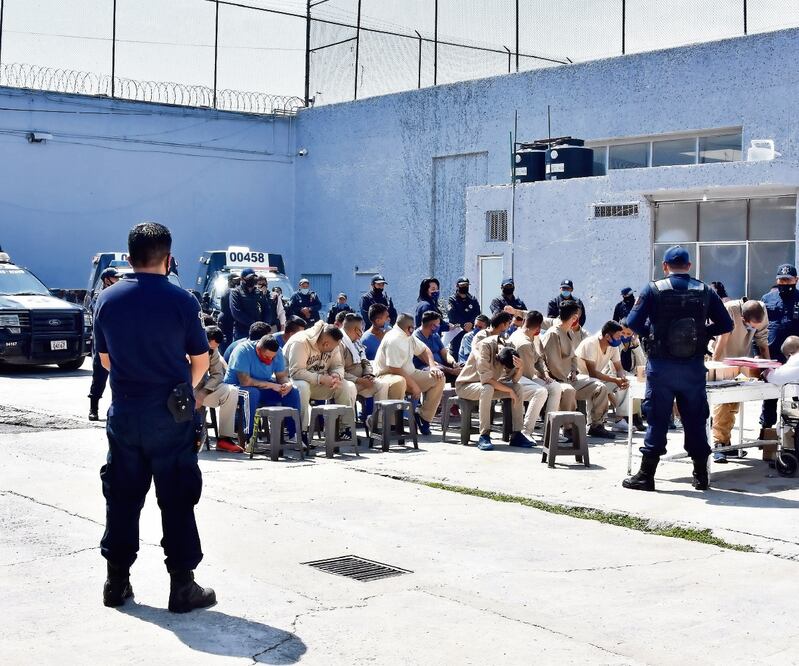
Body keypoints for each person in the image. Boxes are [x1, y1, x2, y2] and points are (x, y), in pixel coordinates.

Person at [93, 221, 215, 613]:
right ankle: (182, 587)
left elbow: (106, 359)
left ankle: (116, 582)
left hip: (126, 411)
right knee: (177, 498)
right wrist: (184, 389)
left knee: (123, 497)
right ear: (169, 258)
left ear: (129, 258)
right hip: (171, 414)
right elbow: (201, 359)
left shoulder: (108, 300)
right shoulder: (182, 301)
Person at [624, 245, 733, 492]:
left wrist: (652, 336)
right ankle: (700, 476)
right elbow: (726, 324)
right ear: (689, 267)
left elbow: (632, 322)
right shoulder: (705, 290)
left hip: (661, 367)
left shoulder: (652, 289)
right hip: (693, 368)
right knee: (695, 419)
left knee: (657, 419)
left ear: (665, 267)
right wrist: (703, 333)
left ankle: (646, 475)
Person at [541, 301, 615, 439]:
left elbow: (573, 356)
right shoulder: (553, 334)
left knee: (600, 387)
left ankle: (596, 425)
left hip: (570, 377)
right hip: (555, 380)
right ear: (574, 317)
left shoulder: (569, 332)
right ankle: (568, 428)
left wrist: (574, 371)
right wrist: (565, 377)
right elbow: (552, 363)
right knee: (568, 390)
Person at [711, 298, 770, 462]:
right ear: (743, 319)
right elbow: (721, 341)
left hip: (739, 359)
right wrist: (715, 366)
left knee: (734, 403)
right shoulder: (730, 309)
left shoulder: (761, 311)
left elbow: (763, 342)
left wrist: (768, 368)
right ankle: (718, 444)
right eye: (750, 326)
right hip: (720, 356)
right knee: (722, 402)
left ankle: (726, 441)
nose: (752, 329)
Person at [373, 312, 445, 435]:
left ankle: (424, 418)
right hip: (388, 375)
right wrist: (414, 386)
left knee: (438, 378)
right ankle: (394, 425)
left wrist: (432, 366)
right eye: (412, 326)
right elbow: (394, 368)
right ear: (408, 327)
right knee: (399, 382)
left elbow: (424, 350)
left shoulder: (408, 336)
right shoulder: (393, 339)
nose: (414, 328)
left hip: (408, 373)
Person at [455, 339, 534, 451]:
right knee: (487, 388)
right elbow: (486, 379)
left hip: (489, 387)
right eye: (505, 368)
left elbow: (515, 380)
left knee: (518, 388)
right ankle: (484, 435)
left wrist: (520, 368)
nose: (505, 370)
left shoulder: (509, 350)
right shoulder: (485, 347)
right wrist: (509, 391)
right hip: (466, 386)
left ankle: (517, 434)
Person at [284, 321, 356, 439]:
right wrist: (321, 379)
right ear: (326, 344)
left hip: (319, 381)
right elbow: (296, 372)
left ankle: (345, 428)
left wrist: (336, 376)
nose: (335, 349)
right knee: (302, 386)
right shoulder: (300, 342)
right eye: (333, 347)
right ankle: (299, 433)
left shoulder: (333, 343)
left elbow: (338, 365)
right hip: (291, 383)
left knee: (347, 386)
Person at [224, 334, 301, 443]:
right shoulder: (243, 351)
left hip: (262, 387)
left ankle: (294, 435)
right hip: (236, 387)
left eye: (272, 358)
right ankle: (249, 438)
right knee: (252, 394)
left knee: (293, 392)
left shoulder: (277, 352)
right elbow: (245, 381)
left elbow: (281, 377)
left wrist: (287, 384)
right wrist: (271, 385)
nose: (270, 360)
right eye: (266, 357)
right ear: (258, 350)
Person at [509, 310, 573, 421]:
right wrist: (541, 377)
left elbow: (538, 358)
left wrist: (545, 374)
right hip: (517, 377)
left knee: (555, 387)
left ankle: (549, 428)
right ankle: (527, 431)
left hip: (529, 375)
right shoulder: (524, 343)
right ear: (538, 328)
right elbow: (528, 373)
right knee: (541, 392)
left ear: (524, 321)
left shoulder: (530, 336)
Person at [761, 263, 799, 431]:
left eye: (788, 280)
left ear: (796, 280)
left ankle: (792, 433)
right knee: (769, 397)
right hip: (772, 355)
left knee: (794, 397)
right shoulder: (767, 299)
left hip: (794, 359)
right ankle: (766, 430)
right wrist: (759, 355)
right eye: (781, 280)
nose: (784, 283)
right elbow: (759, 328)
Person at [340, 313, 405, 410]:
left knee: (382, 385)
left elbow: (365, 361)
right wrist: (359, 380)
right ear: (356, 329)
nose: (362, 332)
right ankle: (347, 423)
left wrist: (368, 374)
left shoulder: (356, 342)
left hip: (363, 379)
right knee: (350, 388)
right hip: (348, 382)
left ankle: (377, 421)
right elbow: (338, 371)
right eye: (361, 329)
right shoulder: (340, 344)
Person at [575, 321, 631, 433]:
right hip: (578, 378)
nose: (621, 338)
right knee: (598, 385)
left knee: (626, 384)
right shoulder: (590, 343)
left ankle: (620, 420)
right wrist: (615, 379)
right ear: (607, 336)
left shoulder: (612, 346)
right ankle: (594, 425)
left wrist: (622, 378)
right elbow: (592, 373)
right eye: (618, 336)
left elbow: (619, 368)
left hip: (595, 378)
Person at [195, 326, 241, 453]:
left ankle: (224, 439)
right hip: (182, 389)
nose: (213, 350)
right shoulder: (185, 344)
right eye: (211, 347)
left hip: (202, 389)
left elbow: (217, 375)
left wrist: (203, 392)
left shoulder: (213, 350)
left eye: (215, 348)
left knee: (231, 391)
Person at [88, 266, 121, 421]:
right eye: (115, 278)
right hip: (102, 344)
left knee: (119, 379)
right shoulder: (99, 297)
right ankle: (93, 409)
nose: (118, 280)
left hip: (116, 344)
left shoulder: (116, 295)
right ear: (106, 280)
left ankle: (116, 408)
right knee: (99, 378)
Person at [413, 310, 461, 383]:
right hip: (425, 367)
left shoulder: (435, 335)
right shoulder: (416, 338)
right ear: (432, 326)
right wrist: (451, 371)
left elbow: (444, 353)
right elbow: (429, 361)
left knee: (462, 368)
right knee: (438, 371)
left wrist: (453, 363)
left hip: (443, 366)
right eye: (438, 324)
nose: (439, 326)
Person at [619, 318, 646, 432]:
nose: (625, 335)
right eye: (623, 333)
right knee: (631, 381)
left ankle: (636, 415)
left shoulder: (634, 342)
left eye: (628, 333)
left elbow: (642, 364)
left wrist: (636, 347)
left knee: (641, 378)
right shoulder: (616, 342)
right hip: (617, 373)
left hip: (630, 373)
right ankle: (630, 416)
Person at [446, 277, 480, 359]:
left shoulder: (473, 300)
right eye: (462, 285)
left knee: (470, 354)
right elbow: (452, 315)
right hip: (457, 332)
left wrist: (471, 324)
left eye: (466, 285)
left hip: (470, 331)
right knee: (456, 354)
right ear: (457, 286)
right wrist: (465, 324)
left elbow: (477, 314)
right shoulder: (452, 300)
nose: (465, 286)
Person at [230, 268, 268, 340]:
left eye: (254, 278)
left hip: (259, 332)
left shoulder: (259, 292)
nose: (252, 280)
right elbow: (236, 313)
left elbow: (266, 309)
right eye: (250, 278)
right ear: (242, 279)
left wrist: (264, 325)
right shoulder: (236, 292)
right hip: (242, 332)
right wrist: (253, 324)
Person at [217, 274, 239, 351]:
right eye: (235, 280)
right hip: (227, 319)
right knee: (227, 343)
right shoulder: (231, 291)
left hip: (226, 319)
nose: (237, 282)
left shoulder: (227, 290)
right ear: (230, 280)